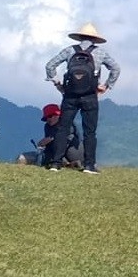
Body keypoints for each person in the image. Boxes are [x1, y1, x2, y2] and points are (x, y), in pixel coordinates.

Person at [43, 22, 121, 175]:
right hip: (90, 95)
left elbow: (50, 66)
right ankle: (89, 166)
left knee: (62, 129)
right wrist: (106, 86)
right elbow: (116, 68)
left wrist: (58, 84)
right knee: (89, 132)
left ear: (79, 37)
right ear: (95, 39)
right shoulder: (100, 53)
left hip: (70, 95)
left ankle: (56, 163)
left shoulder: (69, 50)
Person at [35, 103, 82, 168]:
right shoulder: (47, 127)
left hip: (74, 150)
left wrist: (52, 139)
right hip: (59, 152)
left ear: (57, 115)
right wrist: (42, 144)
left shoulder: (67, 124)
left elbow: (67, 138)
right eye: (46, 118)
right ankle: (67, 164)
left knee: (66, 140)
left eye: (50, 116)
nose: (48, 120)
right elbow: (48, 144)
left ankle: (68, 162)